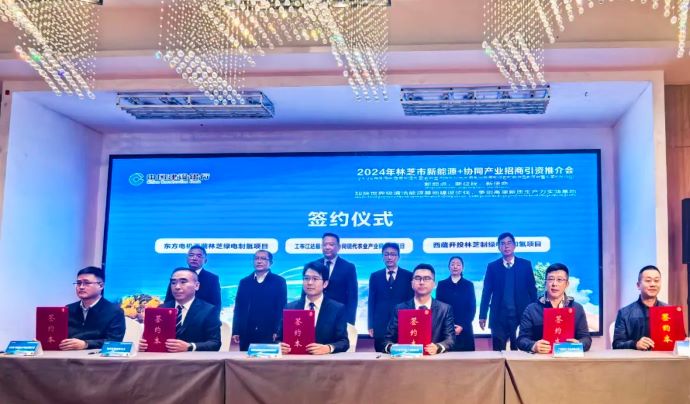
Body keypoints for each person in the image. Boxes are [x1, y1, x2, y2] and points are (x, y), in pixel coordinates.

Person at [479, 232, 537, 351]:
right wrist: (482, 315)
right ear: (499, 247)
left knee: (520, 350)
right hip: (499, 316)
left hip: (521, 315)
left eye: (509, 243)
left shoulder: (525, 265)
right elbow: (486, 292)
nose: (506, 246)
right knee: (498, 351)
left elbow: (532, 290)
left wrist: (535, 313)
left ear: (514, 245)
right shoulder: (492, 267)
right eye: (503, 244)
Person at [516, 263, 591, 353]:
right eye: (551, 279)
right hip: (540, 359)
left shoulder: (577, 308)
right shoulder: (532, 309)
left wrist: (579, 344)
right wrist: (533, 346)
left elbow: (586, 338)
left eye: (559, 280)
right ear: (545, 283)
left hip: (568, 358)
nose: (554, 284)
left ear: (567, 284)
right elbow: (521, 339)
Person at [141, 268, 221, 352]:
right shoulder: (161, 309)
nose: (177, 287)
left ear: (197, 286)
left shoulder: (209, 310)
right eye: (173, 283)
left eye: (183, 282)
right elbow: (153, 337)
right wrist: (144, 345)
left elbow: (215, 343)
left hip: (193, 359)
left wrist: (190, 346)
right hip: (164, 358)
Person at [383, 264, 455, 355]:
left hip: (434, 359)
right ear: (412, 283)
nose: (421, 282)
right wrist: (393, 348)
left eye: (427, 278)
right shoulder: (399, 309)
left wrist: (438, 347)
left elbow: (450, 339)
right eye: (417, 278)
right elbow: (387, 340)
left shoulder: (445, 309)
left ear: (434, 284)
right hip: (405, 359)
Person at [279, 263, 349, 354]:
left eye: (315, 279)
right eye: (306, 278)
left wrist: (328, 348)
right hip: (295, 359)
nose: (310, 283)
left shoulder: (337, 309)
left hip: (323, 360)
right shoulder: (290, 308)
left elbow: (344, 342)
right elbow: (279, 338)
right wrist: (280, 346)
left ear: (325, 283)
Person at [232, 250, 287, 351]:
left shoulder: (279, 282)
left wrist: (278, 330)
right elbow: (238, 308)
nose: (259, 261)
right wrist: (236, 330)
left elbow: (281, 307)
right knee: (245, 359)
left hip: (269, 331)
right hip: (247, 331)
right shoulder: (244, 282)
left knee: (267, 359)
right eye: (256, 258)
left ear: (270, 263)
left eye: (263, 259)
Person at [61, 266, 125, 350]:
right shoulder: (68, 309)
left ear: (101, 285)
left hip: (97, 356)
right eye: (79, 283)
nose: (81, 287)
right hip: (67, 355)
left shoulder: (114, 311)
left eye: (87, 283)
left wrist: (86, 344)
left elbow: (114, 341)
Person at [368, 242, 414, 352]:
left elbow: (411, 301)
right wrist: (370, 325)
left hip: (402, 324)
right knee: (380, 357)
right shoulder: (375, 276)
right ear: (382, 256)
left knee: (403, 357)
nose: (389, 257)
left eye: (393, 254)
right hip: (380, 325)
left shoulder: (408, 276)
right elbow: (371, 302)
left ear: (398, 257)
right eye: (386, 254)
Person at [613, 265, 666, 350]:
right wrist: (635, 344)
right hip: (635, 358)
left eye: (656, 280)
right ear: (638, 285)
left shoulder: (670, 311)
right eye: (648, 281)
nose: (653, 284)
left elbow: (680, 341)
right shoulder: (624, 313)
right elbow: (617, 344)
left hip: (664, 358)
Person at [312, 233, 358, 325]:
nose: (327, 247)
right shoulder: (314, 265)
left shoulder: (348, 267)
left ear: (338, 247)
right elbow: (305, 291)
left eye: (331, 244)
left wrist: (350, 322)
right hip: (316, 314)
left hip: (339, 316)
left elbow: (352, 297)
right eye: (324, 244)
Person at [165, 245, 221, 316]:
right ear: (187, 258)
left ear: (205, 260)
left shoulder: (212, 278)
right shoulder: (177, 275)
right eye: (191, 255)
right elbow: (168, 299)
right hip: (177, 316)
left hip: (202, 318)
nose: (194, 258)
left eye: (199, 256)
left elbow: (216, 304)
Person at [436, 256, 476, 351]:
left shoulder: (468, 285)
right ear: (449, 267)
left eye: (458, 264)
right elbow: (439, 307)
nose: (455, 267)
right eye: (452, 264)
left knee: (467, 357)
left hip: (465, 328)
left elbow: (472, 308)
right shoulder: (442, 285)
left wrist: (462, 325)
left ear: (462, 268)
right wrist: (449, 326)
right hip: (446, 329)